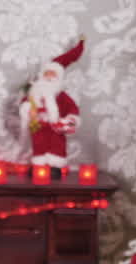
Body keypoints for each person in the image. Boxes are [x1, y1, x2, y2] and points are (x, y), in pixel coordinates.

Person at [18, 38, 84, 168]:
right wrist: (27, 109)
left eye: (52, 75)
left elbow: (72, 108)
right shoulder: (34, 93)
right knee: (38, 144)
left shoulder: (61, 96)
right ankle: (39, 166)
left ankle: (55, 166)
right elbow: (24, 104)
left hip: (55, 127)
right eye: (46, 74)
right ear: (41, 76)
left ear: (58, 79)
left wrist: (70, 119)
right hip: (38, 125)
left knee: (57, 145)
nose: (49, 77)